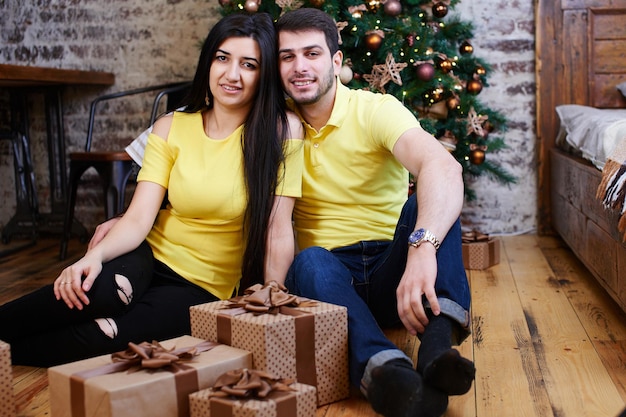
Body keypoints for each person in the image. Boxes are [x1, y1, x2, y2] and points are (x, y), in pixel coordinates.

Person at [92, 8, 473, 417]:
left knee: (430, 205)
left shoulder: (374, 110)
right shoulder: (269, 124)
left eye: (312, 54)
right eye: (287, 57)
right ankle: (386, 373)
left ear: (337, 62)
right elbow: (194, 151)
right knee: (311, 261)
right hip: (324, 280)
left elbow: (444, 167)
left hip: (390, 266)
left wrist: (420, 250)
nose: (299, 67)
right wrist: (133, 215)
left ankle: (436, 347)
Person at [0, 12, 303, 368]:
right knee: (91, 292)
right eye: (222, 58)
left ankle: (7, 353)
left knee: (109, 333)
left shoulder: (282, 132)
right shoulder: (171, 126)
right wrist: (92, 258)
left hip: (201, 287)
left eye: (248, 64)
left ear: (263, 74)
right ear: (208, 62)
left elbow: (278, 227)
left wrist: (272, 293)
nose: (231, 74)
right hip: (148, 255)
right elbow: (139, 217)